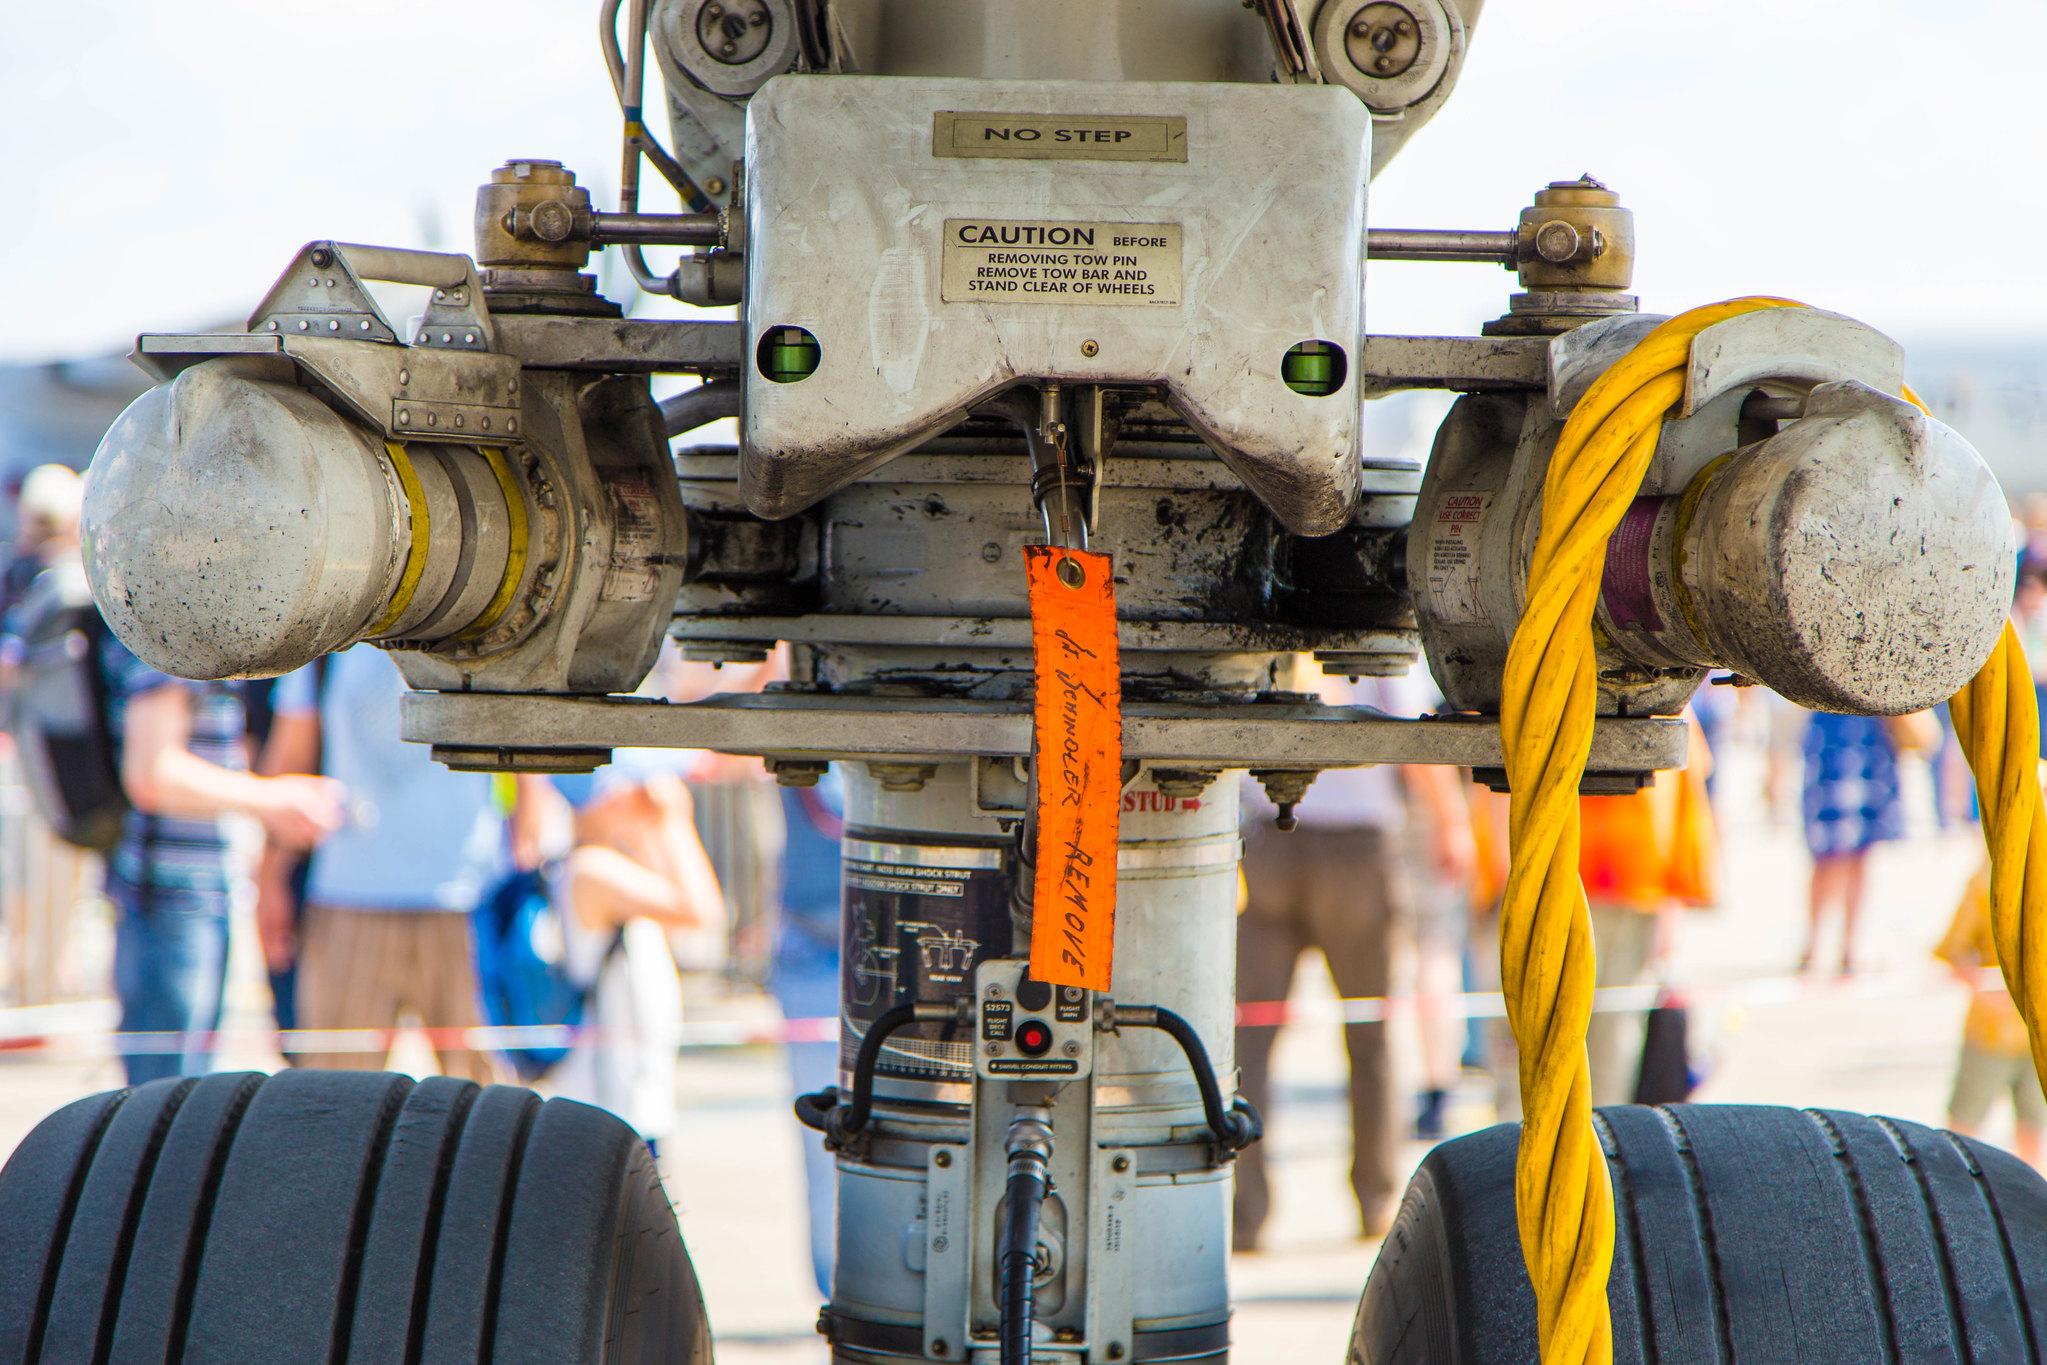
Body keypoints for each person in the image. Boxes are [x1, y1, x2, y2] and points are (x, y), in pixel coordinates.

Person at [1233, 669, 1474, 1250]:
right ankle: (1374, 1199)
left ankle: (1245, 1214)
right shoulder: (1378, 643)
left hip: (1268, 839)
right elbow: (1417, 738)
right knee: (1369, 1038)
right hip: (1356, 852)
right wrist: (1452, 823)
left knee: (1251, 1042)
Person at [255, 644, 506, 1081]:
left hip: (466, 896)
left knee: (484, 1102)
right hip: (349, 897)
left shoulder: (479, 630)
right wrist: (270, 880)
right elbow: (290, 762)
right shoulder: (325, 642)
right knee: (334, 1101)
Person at [108, 634, 343, 1084]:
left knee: (182, 1095)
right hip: (169, 899)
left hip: (188, 896)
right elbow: (152, 773)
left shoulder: (184, 632)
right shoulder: (169, 637)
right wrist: (272, 799)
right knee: (165, 1103)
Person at [1471, 714, 1718, 1116]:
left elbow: (1685, 788)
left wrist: (1672, 901)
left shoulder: (1662, 699)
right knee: (1534, 1051)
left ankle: (1597, 1161)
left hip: (1627, 893)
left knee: (1608, 1053)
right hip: (1548, 887)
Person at [537, 753, 726, 1155]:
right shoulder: (592, 869)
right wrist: (674, 822)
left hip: (623, 1100)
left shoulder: (597, 864)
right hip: (610, 1104)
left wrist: (651, 831)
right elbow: (703, 911)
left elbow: (685, 930)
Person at [773, 767, 844, 1297]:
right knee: (825, 1138)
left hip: (875, 944)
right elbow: (837, 807)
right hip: (817, 952)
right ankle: (837, 1288)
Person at [1799, 710, 1932, 975]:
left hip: (1871, 736)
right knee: (1828, 852)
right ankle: (1815, 944)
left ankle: (1848, 946)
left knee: (1861, 851)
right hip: (1836, 733)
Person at [1937, 861, 2044, 1168]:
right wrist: (1983, 987)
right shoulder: (1987, 878)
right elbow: (1955, 950)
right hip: (1991, 1031)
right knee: (1964, 1126)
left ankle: (2031, 1204)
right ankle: (1951, 1196)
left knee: (2033, 1129)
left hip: (2037, 1031)